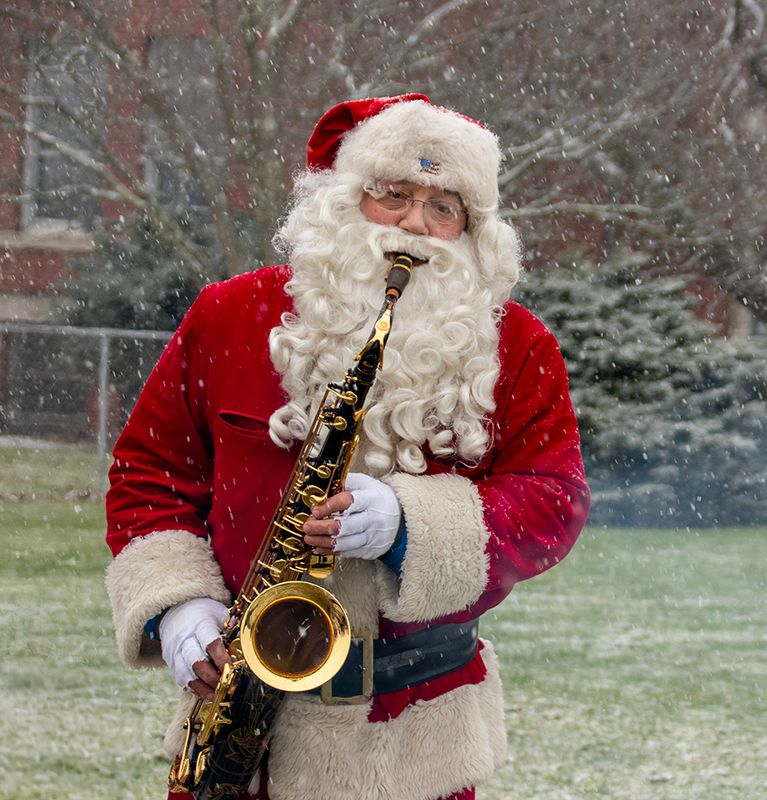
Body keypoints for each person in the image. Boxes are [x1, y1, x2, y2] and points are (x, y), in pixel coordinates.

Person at [104, 94, 590, 800]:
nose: (415, 225)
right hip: (240, 731)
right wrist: (177, 606)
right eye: (392, 196)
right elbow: (149, 473)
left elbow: (556, 502)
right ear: (343, 198)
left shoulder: (519, 347)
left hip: (414, 742)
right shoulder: (228, 316)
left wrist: (408, 524)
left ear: (473, 233)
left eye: (444, 208)